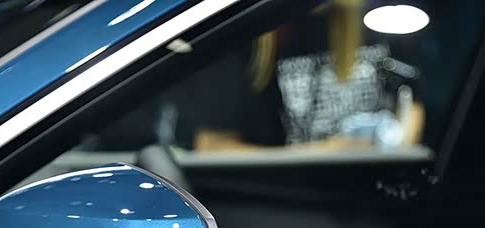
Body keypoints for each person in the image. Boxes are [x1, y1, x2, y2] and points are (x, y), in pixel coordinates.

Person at [182, 0, 426, 152]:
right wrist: (328, 152)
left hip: (379, 198)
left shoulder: (381, 18)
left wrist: (397, 149)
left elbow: (412, 105)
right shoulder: (249, 36)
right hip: (290, 202)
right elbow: (211, 145)